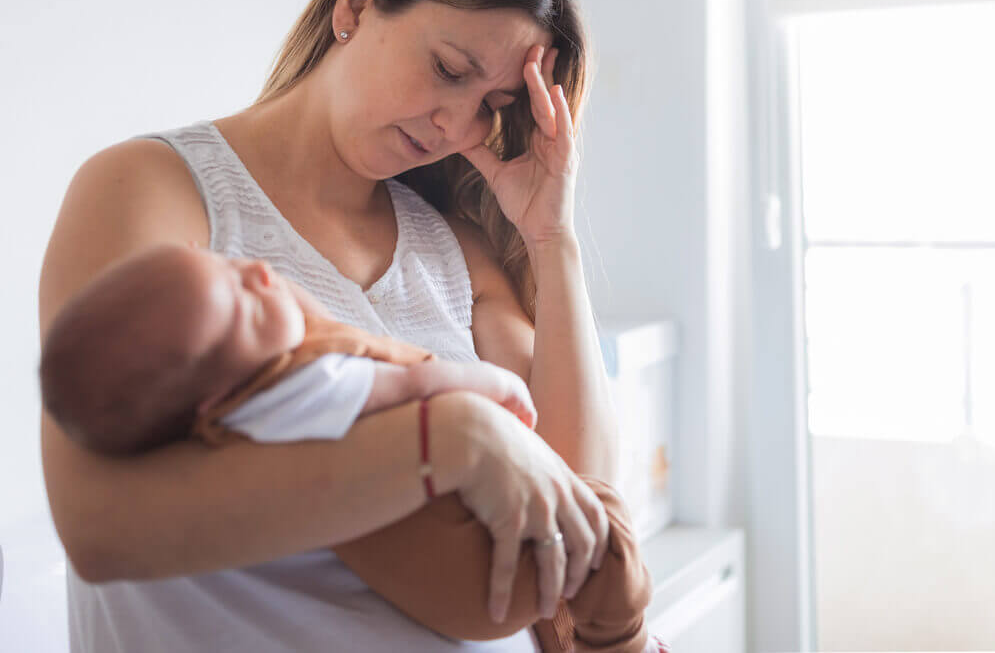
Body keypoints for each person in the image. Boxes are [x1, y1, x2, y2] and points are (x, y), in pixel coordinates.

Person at [38, 0, 641, 652]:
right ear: (356, 2)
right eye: (451, 68)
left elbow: (583, 523)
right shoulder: (156, 189)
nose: (459, 125)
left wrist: (553, 239)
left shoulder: (455, 250)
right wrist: (444, 443)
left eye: (492, 103)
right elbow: (99, 527)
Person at [39, 243, 660, 652]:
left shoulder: (225, 420)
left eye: (234, 268)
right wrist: (495, 403)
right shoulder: (302, 387)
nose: (260, 273)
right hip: (482, 583)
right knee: (603, 536)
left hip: (475, 591)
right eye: (245, 306)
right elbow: (419, 383)